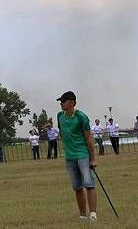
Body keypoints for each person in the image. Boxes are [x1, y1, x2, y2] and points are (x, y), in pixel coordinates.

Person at [55, 91, 98, 222]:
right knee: (77, 187)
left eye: (64, 101)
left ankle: (93, 214)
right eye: (60, 101)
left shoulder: (81, 117)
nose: (61, 103)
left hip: (82, 154)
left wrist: (93, 158)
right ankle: (83, 215)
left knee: (89, 184)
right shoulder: (59, 116)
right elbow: (62, 132)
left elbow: (88, 138)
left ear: (72, 102)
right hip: (69, 157)